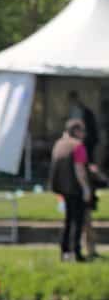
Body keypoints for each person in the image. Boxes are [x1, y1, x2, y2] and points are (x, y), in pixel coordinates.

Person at [49, 118, 91, 262]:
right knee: (77, 221)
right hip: (76, 188)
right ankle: (77, 253)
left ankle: (65, 251)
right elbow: (80, 169)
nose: (84, 134)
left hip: (62, 188)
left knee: (68, 220)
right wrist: (86, 189)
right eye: (82, 131)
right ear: (76, 131)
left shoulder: (59, 144)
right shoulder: (78, 146)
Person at [68, 91, 99, 162]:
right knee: (84, 159)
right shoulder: (77, 110)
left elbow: (78, 126)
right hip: (85, 139)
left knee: (85, 159)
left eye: (71, 100)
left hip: (87, 140)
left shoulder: (80, 110)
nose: (70, 102)